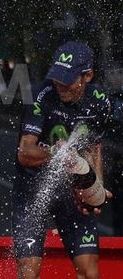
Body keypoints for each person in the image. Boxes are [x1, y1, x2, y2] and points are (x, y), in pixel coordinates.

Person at [12, 41, 112, 279]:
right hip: (33, 191)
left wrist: (95, 190)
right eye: (56, 78)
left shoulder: (99, 101)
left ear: (87, 76)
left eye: (66, 80)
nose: (59, 85)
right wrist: (59, 155)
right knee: (29, 272)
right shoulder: (41, 94)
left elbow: (95, 149)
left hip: (70, 192)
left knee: (90, 272)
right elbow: (25, 153)